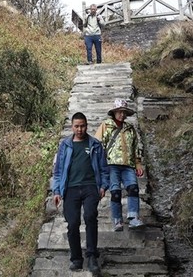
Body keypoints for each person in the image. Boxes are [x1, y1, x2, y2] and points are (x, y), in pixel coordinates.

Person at [52, 112, 108, 274]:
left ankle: (92, 257)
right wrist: (56, 191)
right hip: (70, 188)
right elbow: (58, 171)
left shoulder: (95, 145)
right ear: (72, 126)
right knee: (73, 222)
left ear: (87, 126)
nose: (79, 129)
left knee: (90, 217)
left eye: (82, 126)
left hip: (91, 186)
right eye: (76, 126)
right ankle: (76, 258)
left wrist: (103, 186)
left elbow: (104, 169)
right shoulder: (65, 145)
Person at [96, 98, 146, 231]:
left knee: (133, 188)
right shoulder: (106, 126)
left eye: (124, 112)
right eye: (119, 112)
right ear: (114, 112)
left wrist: (138, 164)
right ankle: (117, 220)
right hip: (111, 165)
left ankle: (133, 217)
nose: (122, 115)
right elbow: (98, 145)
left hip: (128, 165)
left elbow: (135, 147)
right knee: (115, 192)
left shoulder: (130, 129)